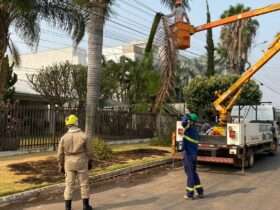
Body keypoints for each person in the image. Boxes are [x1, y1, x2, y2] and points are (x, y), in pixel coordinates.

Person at [57, 114, 94, 210]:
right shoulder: (83, 136)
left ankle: (67, 207)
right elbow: (89, 151)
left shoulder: (64, 137)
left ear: (68, 125)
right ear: (76, 123)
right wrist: (90, 161)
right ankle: (86, 206)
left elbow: (60, 154)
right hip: (81, 161)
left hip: (68, 163)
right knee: (84, 184)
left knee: (69, 185)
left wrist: (61, 165)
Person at [181, 113, 204, 200]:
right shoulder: (195, 130)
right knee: (193, 173)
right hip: (193, 154)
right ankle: (200, 191)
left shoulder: (189, 129)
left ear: (191, 122)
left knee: (190, 174)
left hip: (188, 155)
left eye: (189, 120)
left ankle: (190, 193)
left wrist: (186, 116)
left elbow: (183, 122)